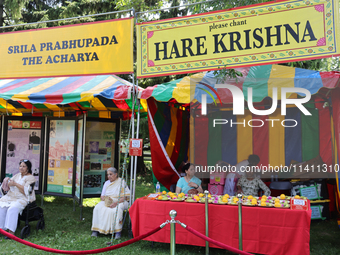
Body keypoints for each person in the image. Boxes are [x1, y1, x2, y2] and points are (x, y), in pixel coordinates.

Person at [0, 160, 36, 239]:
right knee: (1, 207)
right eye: (20, 166)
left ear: (28, 168)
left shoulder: (31, 178)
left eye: (24, 166)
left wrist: (15, 184)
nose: (21, 168)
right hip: (12, 196)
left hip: (23, 198)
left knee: (12, 209)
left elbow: (27, 192)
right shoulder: (17, 175)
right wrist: (7, 181)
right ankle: (1, 229)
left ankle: (11, 233)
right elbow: (9, 185)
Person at [91, 167, 130, 239]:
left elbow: (125, 197)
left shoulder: (121, 182)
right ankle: (96, 230)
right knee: (97, 208)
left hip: (120, 201)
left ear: (116, 174)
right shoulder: (106, 183)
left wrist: (115, 203)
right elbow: (102, 196)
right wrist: (106, 200)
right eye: (108, 174)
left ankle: (117, 232)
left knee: (116, 210)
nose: (109, 176)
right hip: (108, 201)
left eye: (111, 174)